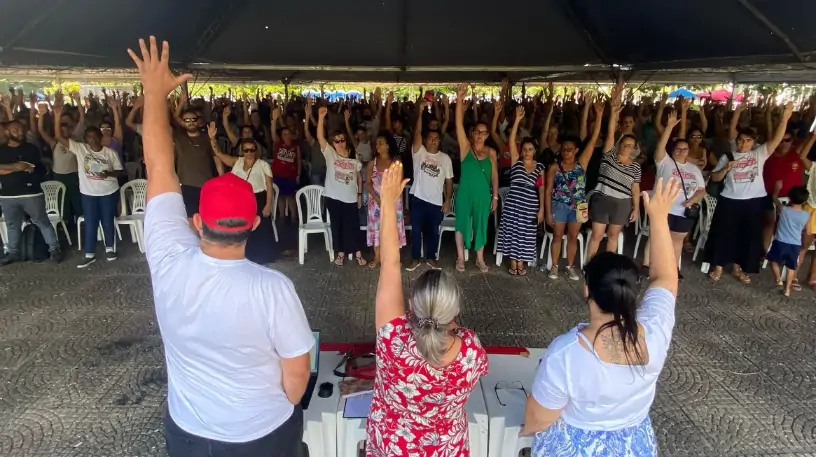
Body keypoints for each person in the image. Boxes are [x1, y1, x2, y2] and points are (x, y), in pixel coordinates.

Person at [130, 37, 313, 457]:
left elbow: (159, 163)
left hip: (189, 433)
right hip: (263, 434)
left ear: (196, 222)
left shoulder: (169, 258)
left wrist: (154, 94)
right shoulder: (273, 289)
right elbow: (296, 377)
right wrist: (280, 404)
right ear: (252, 223)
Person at [522, 177, 681, 457]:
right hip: (635, 446)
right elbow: (667, 278)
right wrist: (659, 218)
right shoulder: (655, 332)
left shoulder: (566, 353)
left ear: (587, 289)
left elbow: (539, 419)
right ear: (633, 293)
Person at [365, 161, 488, 456]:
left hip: (391, 447)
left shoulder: (393, 337)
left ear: (411, 306)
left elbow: (391, 264)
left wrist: (387, 199)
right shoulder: (471, 352)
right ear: (455, 312)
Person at [705, 101, 794, 283]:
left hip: (753, 201)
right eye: (740, 140)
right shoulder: (728, 156)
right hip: (730, 200)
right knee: (724, 234)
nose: (743, 143)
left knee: (748, 236)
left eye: (747, 140)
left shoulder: (759, 154)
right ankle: (719, 266)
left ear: (754, 143)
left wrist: (785, 118)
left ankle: (739, 268)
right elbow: (714, 178)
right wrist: (725, 169)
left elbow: (776, 139)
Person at [52, 95, 124, 268]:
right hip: (88, 193)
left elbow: (118, 172)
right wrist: (56, 116)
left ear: (100, 137)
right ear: (85, 139)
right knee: (91, 222)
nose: (91, 140)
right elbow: (58, 136)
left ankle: (109, 249)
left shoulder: (109, 153)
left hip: (108, 191)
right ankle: (89, 253)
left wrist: (107, 173)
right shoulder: (80, 149)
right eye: (88, 137)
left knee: (107, 221)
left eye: (94, 137)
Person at [543, 99, 604, 280]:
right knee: (557, 235)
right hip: (559, 205)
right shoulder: (554, 167)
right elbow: (547, 191)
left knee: (573, 236)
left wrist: (599, 116)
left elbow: (593, 140)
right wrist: (548, 213)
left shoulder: (582, 163)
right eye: (563, 150)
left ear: (576, 150)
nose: (566, 152)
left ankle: (570, 266)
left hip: (579, 205)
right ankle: (554, 266)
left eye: (569, 149)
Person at [640, 110, 705, 279]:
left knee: (677, 241)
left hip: (684, 211)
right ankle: (646, 265)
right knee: (656, 237)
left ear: (688, 151)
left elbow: (701, 189)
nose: (681, 151)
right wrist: (668, 127)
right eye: (678, 149)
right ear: (673, 149)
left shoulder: (694, 169)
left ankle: (673, 268)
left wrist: (692, 200)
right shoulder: (665, 163)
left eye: (684, 149)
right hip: (665, 208)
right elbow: (660, 146)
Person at [586, 81, 642, 260]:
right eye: (625, 143)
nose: (627, 147)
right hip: (602, 199)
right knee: (596, 235)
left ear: (635, 148)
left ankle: (607, 266)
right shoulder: (609, 155)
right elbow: (610, 133)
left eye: (631, 145)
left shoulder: (635, 166)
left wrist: (636, 208)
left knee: (613, 236)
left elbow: (635, 189)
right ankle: (590, 265)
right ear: (620, 144)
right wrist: (614, 111)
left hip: (622, 204)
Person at [209, 123, 277, 265]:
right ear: (242, 150)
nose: (249, 153)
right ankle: (247, 255)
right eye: (246, 150)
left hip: (258, 197)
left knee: (261, 228)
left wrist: (268, 204)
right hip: (240, 198)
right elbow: (220, 155)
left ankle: (264, 257)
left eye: (252, 150)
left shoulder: (263, 164)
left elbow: (269, 186)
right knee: (243, 227)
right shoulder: (237, 162)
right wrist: (212, 139)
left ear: (256, 150)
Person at [0, 119, 63, 265]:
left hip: (31, 193)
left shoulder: (31, 149)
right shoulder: (1, 149)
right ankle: (13, 252)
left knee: (42, 221)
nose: (20, 132)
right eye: (15, 130)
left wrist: (6, 168)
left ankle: (54, 249)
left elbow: (27, 166)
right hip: (7, 195)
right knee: (12, 225)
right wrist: (16, 167)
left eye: (21, 129)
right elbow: (20, 166)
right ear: (7, 132)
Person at [453, 84, 498, 273]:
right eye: (476, 131)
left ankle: (480, 258)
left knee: (481, 224)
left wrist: (495, 195)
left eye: (483, 132)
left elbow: (494, 175)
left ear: (488, 135)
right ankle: (460, 258)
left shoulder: (491, 152)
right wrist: (459, 99)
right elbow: (457, 125)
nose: (479, 135)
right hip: (465, 192)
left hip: (483, 194)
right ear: (472, 133)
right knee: (461, 222)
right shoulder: (465, 148)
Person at [496, 106, 545, 276]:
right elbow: (510, 141)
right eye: (525, 149)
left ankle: (521, 261)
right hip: (513, 204)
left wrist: (541, 209)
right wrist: (516, 120)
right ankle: (514, 261)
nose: (527, 152)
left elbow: (541, 190)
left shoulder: (540, 167)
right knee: (512, 231)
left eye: (530, 149)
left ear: (535, 151)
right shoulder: (516, 161)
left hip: (530, 206)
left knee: (526, 234)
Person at [406, 100, 454, 271]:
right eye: (430, 138)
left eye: (436, 139)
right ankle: (415, 258)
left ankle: (431, 257)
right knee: (416, 230)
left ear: (439, 141)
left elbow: (449, 181)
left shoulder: (445, 159)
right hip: (418, 198)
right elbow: (417, 131)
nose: (433, 141)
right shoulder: (419, 153)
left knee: (433, 231)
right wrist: (420, 111)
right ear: (425, 141)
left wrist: (447, 200)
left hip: (436, 201)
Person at [316, 106, 367, 266]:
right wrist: (320, 118)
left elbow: (359, 177)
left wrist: (359, 195)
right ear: (333, 143)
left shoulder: (354, 157)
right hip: (333, 196)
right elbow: (320, 137)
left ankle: (358, 253)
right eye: (336, 141)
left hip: (350, 197)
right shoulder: (330, 154)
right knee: (337, 226)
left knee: (352, 226)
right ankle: (340, 253)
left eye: (342, 140)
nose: (340, 143)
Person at [766, 183, 810, 296]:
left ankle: (778, 280)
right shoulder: (806, 215)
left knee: (773, 261)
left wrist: (777, 190)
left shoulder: (783, 210)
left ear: (790, 198)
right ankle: (787, 290)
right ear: (805, 200)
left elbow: (774, 198)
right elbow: (808, 232)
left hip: (780, 242)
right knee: (791, 267)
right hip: (795, 244)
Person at [271, 107, 301, 224]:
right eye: (284, 134)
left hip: (290, 175)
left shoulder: (295, 146)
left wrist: (298, 174)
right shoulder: (278, 144)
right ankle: (282, 217)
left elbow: (298, 161)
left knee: (291, 196)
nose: (286, 135)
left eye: (288, 133)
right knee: (280, 197)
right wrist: (274, 120)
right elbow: (273, 133)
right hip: (278, 174)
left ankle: (294, 217)